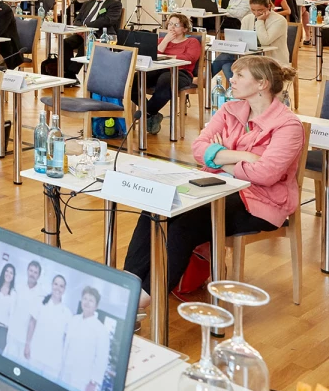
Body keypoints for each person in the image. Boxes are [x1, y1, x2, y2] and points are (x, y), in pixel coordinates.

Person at [124, 56, 302, 305]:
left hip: (260, 202)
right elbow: (199, 148)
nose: (231, 79)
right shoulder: (229, 109)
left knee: (186, 222)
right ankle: (127, 284)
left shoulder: (288, 125)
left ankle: (140, 301)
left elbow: (266, 174)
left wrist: (218, 156)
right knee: (156, 204)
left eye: (240, 75)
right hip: (216, 185)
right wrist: (243, 156)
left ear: (262, 83)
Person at [132, 12, 201, 135]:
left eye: (176, 25)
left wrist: (168, 57)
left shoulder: (192, 42)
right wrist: (166, 41)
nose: (172, 27)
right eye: (170, 24)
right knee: (133, 80)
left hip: (181, 72)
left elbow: (190, 58)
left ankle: (146, 113)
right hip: (157, 69)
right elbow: (153, 54)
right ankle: (152, 114)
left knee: (166, 80)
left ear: (185, 28)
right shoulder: (161, 40)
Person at [213, 0, 288, 82]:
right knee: (227, 66)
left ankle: (205, 78)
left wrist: (260, 21)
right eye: (253, 10)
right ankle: (239, 93)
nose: (256, 13)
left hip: (270, 57)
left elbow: (265, 41)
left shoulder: (279, 20)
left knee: (226, 57)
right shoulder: (247, 18)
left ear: (269, 7)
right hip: (249, 54)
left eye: (260, 10)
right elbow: (242, 38)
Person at [60, 0, 122, 80]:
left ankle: (70, 74)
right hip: (82, 33)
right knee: (65, 43)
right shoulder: (88, 3)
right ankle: (67, 72)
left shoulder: (114, 4)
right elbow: (78, 19)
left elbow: (107, 20)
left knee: (85, 46)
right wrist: (81, 29)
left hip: (101, 35)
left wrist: (87, 28)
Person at [59, 287, 110, 391]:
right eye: (85, 298)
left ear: (96, 306)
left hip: (83, 379)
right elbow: (65, 343)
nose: (87, 303)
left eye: (91, 300)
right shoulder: (74, 319)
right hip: (65, 371)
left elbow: (101, 358)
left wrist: (93, 382)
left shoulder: (100, 329)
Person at [27, 274, 69, 380]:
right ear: (51, 285)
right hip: (36, 354)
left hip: (53, 362)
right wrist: (27, 345)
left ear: (64, 290)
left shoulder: (67, 313)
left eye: (61, 286)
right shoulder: (40, 302)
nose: (58, 288)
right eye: (56, 284)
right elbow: (32, 323)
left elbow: (65, 340)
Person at [6, 261, 42, 366]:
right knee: (8, 365)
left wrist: (28, 343)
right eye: (31, 270)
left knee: (20, 368)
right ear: (27, 271)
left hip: (26, 341)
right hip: (13, 334)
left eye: (35, 272)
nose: (32, 274)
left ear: (39, 276)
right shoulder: (19, 287)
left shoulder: (41, 294)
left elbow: (34, 320)